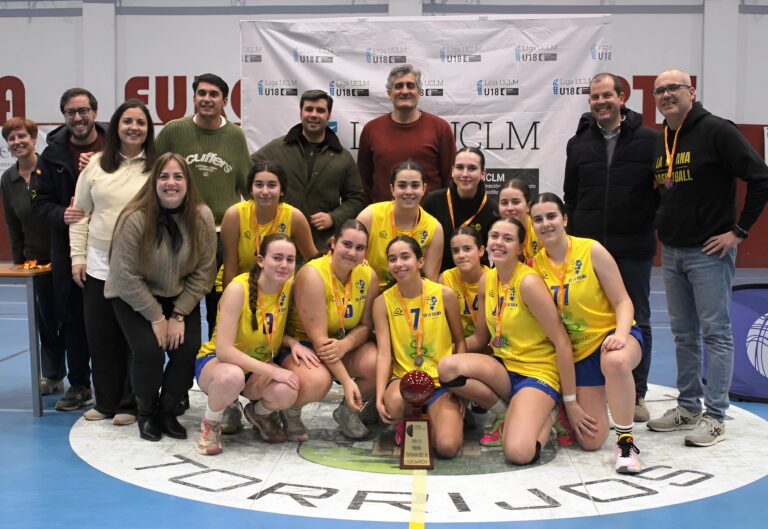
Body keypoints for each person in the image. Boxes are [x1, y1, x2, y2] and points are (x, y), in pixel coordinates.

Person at [646, 69, 768, 446]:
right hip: (673, 252)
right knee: (684, 334)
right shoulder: (662, 138)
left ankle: (715, 415)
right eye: (659, 90)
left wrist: (739, 231)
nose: (666, 95)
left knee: (715, 334)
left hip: (708, 252)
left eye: (674, 88)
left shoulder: (717, 130)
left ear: (692, 92)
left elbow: (761, 178)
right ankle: (688, 407)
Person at [563, 72, 660, 422]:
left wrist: (647, 224)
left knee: (637, 317)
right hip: (589, 250)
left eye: (607, 95)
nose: (600, 102)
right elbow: (571, 196)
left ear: (622, 98)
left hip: (632, 247)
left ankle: (637, 393)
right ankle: (595, 387)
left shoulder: (650, 140)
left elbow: (662, 193)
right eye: (594, 97)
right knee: (587, 317)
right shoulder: (577, 144)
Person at [437, 218, 571, 463]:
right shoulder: (488, 279)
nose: (498, 243)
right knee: (447, 367)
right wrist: (439, 352)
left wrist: (571, 400)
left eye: (507, 239)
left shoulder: (528, 282)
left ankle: (553, 412)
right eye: (494, 236)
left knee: (518, 452)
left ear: (520, 247)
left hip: (537, 372)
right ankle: (505, 413)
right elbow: (480, 338)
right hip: (505, 368)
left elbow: (561, 341)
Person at [106, 153, 217, 441]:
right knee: (149, 350)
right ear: (153, 182)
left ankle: (168, 410)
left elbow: (205, 272)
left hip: (179, 295)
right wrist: (156, 317)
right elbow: (125, 275)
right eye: (164, 176)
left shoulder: (202, 216)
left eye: (178, 177)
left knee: (188, 348)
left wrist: (178, 314)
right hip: (133, 295)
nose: (171, 183)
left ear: (188, 183)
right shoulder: (134, 217)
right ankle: (146, 412)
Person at [531, 193, 644, 474]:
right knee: (591, 440)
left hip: (611, 336)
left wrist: (620, 335)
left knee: (615, 361)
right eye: (538, 219)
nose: (545, 223)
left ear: (564, 219)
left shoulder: (591, 250)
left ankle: (626, 444)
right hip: (579, 352)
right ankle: (589, 401)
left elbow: (623, 301)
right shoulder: (535, 265)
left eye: (551, 216)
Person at [70, 99, 157, 425]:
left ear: (148, 130)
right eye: (127, 121)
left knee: (135, 340)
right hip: (98, 266)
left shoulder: (158, 167)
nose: (134, 127)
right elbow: (80, 214)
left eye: (141, 122)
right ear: (116, 126)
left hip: (140, 267)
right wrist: (78, 257)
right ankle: (105, 402)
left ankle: (129, 404)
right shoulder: (95, 165)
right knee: (101, 337)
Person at [155, 73, 251, 338]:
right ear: (194, 97)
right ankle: (181, 358)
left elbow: (247, 185)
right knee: (176, 305)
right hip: (177, 232)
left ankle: (215, 357)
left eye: (214, 94)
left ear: (225, 101)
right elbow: (147, 170)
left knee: (218, 308)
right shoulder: (174, 130)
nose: (207, 99)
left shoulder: (235, 136)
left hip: (220, 236)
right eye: (202, 93)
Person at [31, 87, 106, 411]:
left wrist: (101, 165)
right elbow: (39, 203)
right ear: (64, 116)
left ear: (94, 112)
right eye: (71, 112)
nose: (78, 117)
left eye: (83, 111)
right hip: (68, 250)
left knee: (111, 320)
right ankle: (79, 385)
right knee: (73, 320)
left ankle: (114, 386)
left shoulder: (113, 147)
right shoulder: (51, 155)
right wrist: (61, 214)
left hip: (110, 247)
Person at [195, 234, 299, 454]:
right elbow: (224, 351)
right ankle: (211, 423)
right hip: (218, 363)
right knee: (232, 376)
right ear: (261, 260)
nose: (284, 264)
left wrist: (292, 342)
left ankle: (258, 414)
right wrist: (273, 370)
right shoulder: (238, 289)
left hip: (255, 367)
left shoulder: (288, 286)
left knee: (288, 389)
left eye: (290, 259)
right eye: (277, 258)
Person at [373, 236, 466, 459]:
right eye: (392, 259)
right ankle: (407, 419)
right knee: (395, 404)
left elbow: (460, 342)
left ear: (420, 262)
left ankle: (435, 418)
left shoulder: (444, 295)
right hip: (403, 380)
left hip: (440, 383)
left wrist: (460, 389)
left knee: (447, 447)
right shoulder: (382, 302)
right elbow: (384, 353)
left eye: (405, 257)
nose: (399, 264)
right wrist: (378, 397)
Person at [291, 220, 379, 439]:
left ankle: (347, 411)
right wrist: (347, 382)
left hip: (341, 343)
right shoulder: (313, 274)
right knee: (318, 382)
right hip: (305, 345)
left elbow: (366, 326)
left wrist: (346, 344)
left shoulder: (368, 276)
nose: (352, 252)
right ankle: (289, 412)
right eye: (347, 244)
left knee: (379, 363)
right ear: (333, 243)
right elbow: (320, 342)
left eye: (359, 248)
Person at [251, 90, 366, 252]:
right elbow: (247, 172)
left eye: (320, 110)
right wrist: (264, 208)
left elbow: (356, 198)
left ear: (328, 115)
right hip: (279, 239)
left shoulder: (342, 157)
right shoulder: (277, 148)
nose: (313, 115)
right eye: (309, 109)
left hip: (321, 243)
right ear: (301, 113)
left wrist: (334, 218)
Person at [1, 118, 65, 395]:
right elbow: (13, 224)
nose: (17, 142)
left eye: (21, 136)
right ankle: (52, 376)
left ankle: (81, 380)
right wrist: (19, 264)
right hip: (35, 263)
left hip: (64, 258)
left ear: (34, 137)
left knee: (72, 320)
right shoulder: (8, 180)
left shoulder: (51, 169)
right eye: (11, 138)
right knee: (47, 322)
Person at [358, 64, 456, 203]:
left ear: (419, 92)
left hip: (429, 214)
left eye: (410, 86)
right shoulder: (371, 129)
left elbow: (450, 178)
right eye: (398, 86)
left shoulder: (440, 128)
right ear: (389, 93)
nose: (405, 91)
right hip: (383, 214)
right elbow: (364, 180)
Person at [357, 160, 443, 290]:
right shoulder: (369, 216)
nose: (408, 191)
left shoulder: (434, 228)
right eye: (402, 185)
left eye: (415, 185)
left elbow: (430, 281)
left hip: (410, 296)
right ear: (392, 189)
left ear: (424, 189)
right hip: (367, 291)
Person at [424, 147, 499, 270]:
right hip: (438, 277)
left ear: (483, 174)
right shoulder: (433, 201)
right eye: (459, 167)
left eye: (472, 168)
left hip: (476, 278)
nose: (465, 174)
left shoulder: (492, 210)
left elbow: (498, 253)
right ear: (452, 171)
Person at [438, 227, 490, 341]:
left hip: (489, 345)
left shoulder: (493, 278)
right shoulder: (445, 279)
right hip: (457, 344)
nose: (461, 255)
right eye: (456, 251)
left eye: (467, 249)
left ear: (481, 251)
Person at [498, 178, 540, 265]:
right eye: (504, 203)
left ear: (528, 206)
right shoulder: (496, 234)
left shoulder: (540, 231)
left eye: (516, 202)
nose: (509, 208)